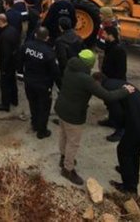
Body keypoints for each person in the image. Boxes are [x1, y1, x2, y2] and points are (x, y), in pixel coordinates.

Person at [54, 50, 135, 186]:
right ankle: (67, 169)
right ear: (90, 64)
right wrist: (125, 91)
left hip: (61, 108)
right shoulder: (86, 80)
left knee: (63, 134)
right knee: (73, 142)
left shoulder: (70, 66)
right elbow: (107, 96)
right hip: (74, 115)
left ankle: (63, 157)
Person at [95, 72, 140, 196]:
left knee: (124, 151)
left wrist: (120, 126)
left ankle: (129, 188)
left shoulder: (109, 91)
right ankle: (130, 173)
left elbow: (117, 113)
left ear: (98, 83)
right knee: (134, 151)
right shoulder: (116, 83)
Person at [20, 27, 60, 139]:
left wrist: (21, 73)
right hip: (43, 84)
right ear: (47, 38)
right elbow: (55, 71)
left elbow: (19, 60)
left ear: (36, 35)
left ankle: (35, 124)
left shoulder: (26, 46)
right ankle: (42, 131)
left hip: (29, 81)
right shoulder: (49, 52)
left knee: (33, 104)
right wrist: (60, 86)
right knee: (44, 107)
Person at [99, 25, 128, 141]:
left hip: (115, 81)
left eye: (104, 34)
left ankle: (120, 130)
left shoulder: (118, 49)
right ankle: (111, 120)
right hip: (108, 79)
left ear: (110, 35)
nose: (103, 35)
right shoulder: (110, 46)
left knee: (117, 106)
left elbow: (121, 69)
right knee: (109, 103)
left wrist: (116, 83)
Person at [0, 13, 20, 111]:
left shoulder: (4, 36)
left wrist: (3, 68)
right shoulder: (13, 30)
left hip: (7, 65)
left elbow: (6, 54)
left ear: (0, 21)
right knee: (13, 82)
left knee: (5, 84)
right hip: (13, 63)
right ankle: (14, 100)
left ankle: (5, 104)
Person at [54, 17, 84, 84]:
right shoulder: (79, 38)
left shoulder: (60, 41)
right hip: (77, 67)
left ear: (60, 27)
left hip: (67, 70)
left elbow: (62, 58)